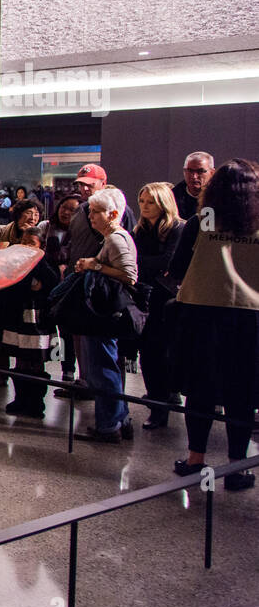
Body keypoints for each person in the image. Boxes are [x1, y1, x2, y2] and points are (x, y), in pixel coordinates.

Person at [168, 159, 259, 490]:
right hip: (249, 316)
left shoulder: (199, 222)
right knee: (242, 392)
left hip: (201, 313)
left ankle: (195, 459)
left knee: (200, 388)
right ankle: (237, 466)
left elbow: (177, 268)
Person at [72, 186, 138, 442]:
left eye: (96, 212)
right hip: (105, 312)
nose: (91, 217)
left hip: (105, 313)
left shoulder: (116, 238)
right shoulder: (113, 238)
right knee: (104, 366)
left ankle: (109, 424)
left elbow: (129, 275)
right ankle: (119, 418)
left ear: (112, 214)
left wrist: (94, 265)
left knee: (103, 367)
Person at [132, 183, 183, 431]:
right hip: (144, 296)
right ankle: (156, 405)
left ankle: (166, 400)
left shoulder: (177, 228)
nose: (144, 206)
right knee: (148, 353)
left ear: (163, 202)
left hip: (167, 299)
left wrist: (144, 264)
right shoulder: (140, 230)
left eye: (150, 202)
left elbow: (169, 262)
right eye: (142, 201)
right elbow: (135, 261)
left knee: (165, 353)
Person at [0, 227, 59, 418]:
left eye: (31, 243)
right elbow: (13, 286)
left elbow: (50, 284)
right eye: (24, 242)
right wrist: (30, 285)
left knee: (35, 361)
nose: (26, 247)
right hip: (16, 317)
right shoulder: (14, 261)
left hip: (37, 321)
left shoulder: (46, 263)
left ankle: (36, 402)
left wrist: (33, 283)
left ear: (41, 246)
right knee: (20, 359)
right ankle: (20, 398)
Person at [46, 194, 82, 387]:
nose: (66, 212)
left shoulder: (81, 233)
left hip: (69, 287)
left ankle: (69, 370)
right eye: (64, 207)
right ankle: (55, 364)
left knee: (68, 330)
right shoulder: (47, 228)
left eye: (72, 209)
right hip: (49, 286)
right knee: (53, 330)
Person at [171, 151, 213, 220]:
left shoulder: (220, 197)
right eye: (190, 171)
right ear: (184, 172)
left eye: (200, 171)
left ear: (212, 172)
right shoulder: (172, 198)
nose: (194, 176)